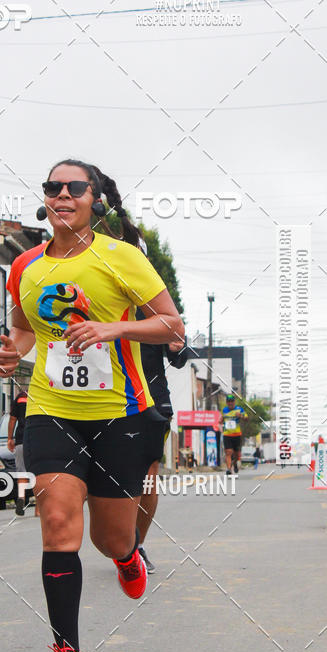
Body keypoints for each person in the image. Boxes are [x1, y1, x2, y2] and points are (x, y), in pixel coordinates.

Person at [0, 158, 184, 652]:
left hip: (120, 415)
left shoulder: (121, 258)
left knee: (109, 537)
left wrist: (113, 327)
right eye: (52, 187)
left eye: (73, 187)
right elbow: (25, 330)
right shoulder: (27, 267)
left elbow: (172, 325)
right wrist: (12, 355)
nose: (61, 194)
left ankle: (127, 557)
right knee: (57, 523)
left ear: (94, 199)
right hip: (52, 410)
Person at [135, 246, 187, 574]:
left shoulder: (158, 306)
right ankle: (118, 538)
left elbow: (180, 358)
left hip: (153, 402)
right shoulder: (102, 301)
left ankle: (136, 545)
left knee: (148, 478)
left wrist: (177, 345)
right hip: (106, 401)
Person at [8, 385, 35, 516]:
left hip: (20, 439)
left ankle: (21, 498)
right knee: (37, 473)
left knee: (22, 472)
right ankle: (39, 509)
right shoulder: (39, 396)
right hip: (37, 438)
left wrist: (9, 438)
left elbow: (12, 419)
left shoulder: (20, 397)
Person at [221, 394, 247, 475]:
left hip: (237, 435)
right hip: (227, 435)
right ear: (226, 402)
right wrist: (220, 421)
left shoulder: (239, 409)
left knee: (237, 454)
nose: (230, 403)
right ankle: (229, 469)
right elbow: (222, 420)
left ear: (234, 402)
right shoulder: (224, 410)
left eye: (232, 402)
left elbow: (246, 418)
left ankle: (235, 464)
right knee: (228, 452)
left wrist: (241, 416)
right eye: (228, 402)